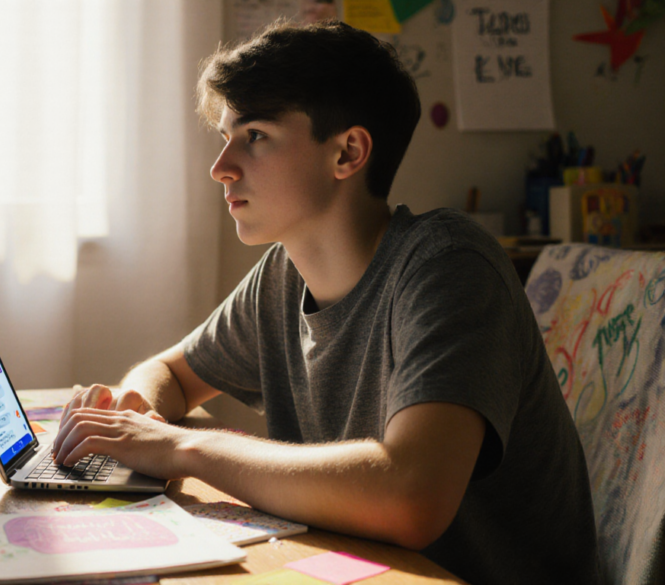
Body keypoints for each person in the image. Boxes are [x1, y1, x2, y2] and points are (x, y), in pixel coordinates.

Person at [52, 20, 599, 584]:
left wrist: (178, 448)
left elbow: (411, 496)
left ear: (348, 153)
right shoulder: (283, 275)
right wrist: (132, 412)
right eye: (224, 138)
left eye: (256, 135)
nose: (221, 168)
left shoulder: (450, 266)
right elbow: (170, 370)